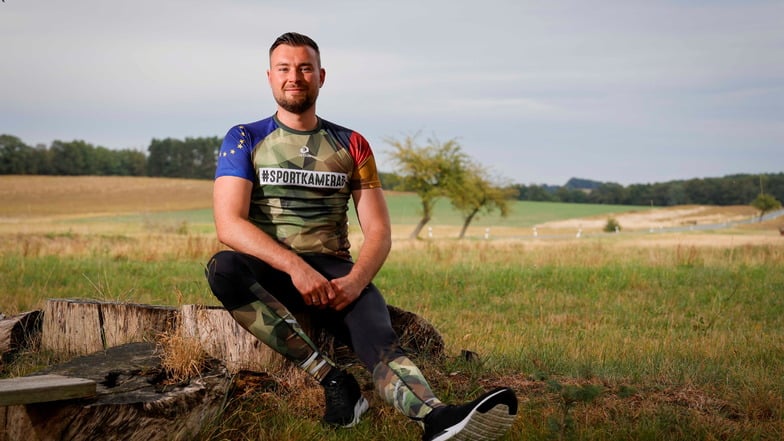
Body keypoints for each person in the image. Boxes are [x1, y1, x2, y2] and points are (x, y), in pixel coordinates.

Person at [205, 31, 518, 441]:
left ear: (321, 76)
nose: (294, 76)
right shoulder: (244, 138)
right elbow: (229, 224)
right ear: (269, 77)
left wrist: (354, 282)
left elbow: (379, 231)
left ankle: (436, 419)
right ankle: (335, 381)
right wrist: (297, 269)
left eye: (304, 68)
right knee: (223, 268)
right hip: (273, 271)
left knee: (380, 342)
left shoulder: (352, 144)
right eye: (284, 68)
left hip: (339, 276)